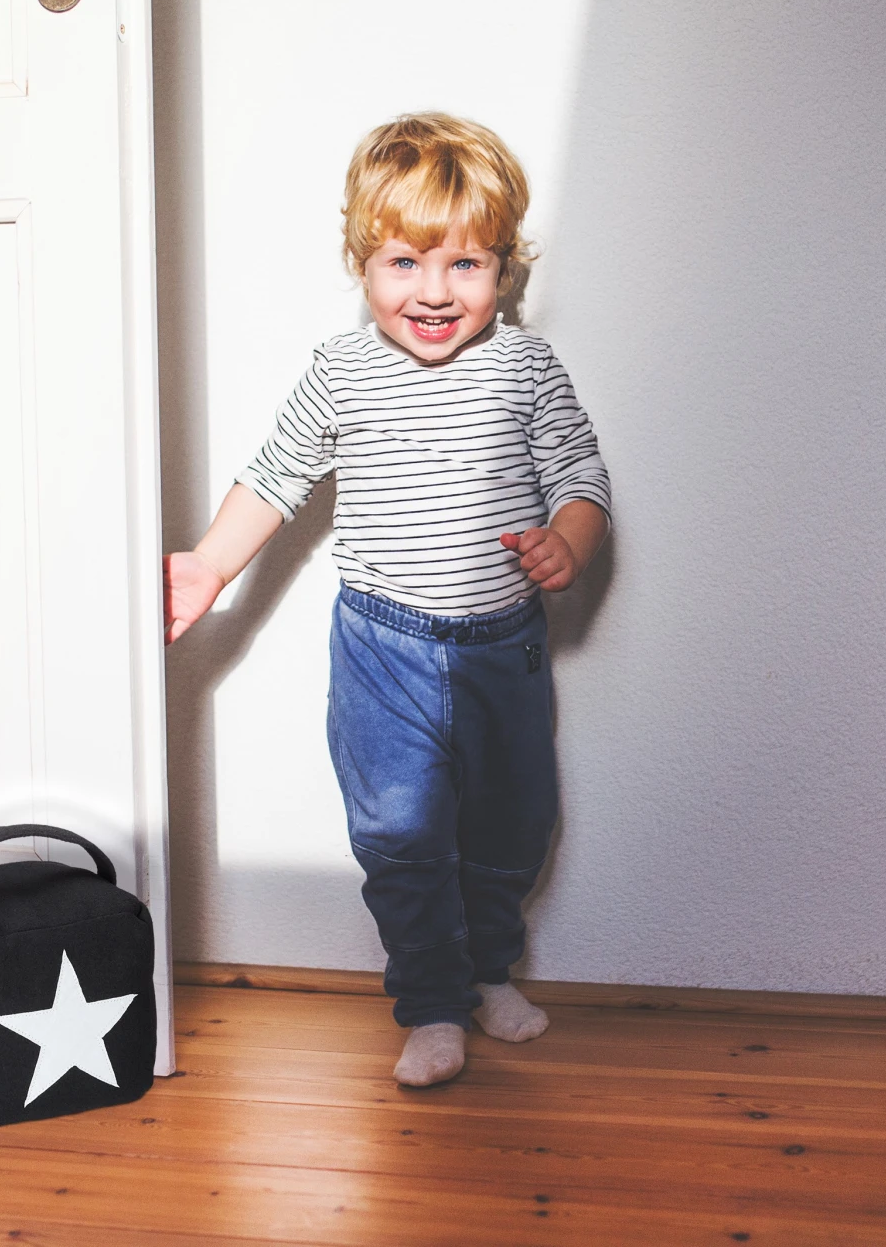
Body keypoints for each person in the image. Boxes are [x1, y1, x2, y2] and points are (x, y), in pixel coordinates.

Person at [164, 113, 611, 1087]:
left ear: (504, 268)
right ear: (362, 261)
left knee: (513, 825)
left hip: (502, 649)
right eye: (406, 262)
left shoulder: (527, 367)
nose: (436, 292)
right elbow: (276, 477)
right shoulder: (342, 371)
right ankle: (433, 1002)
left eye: (466, 265)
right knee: (401, 835)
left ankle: (488, 971)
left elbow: (582, 477)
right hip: (382, 650)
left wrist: (568, 543)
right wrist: (208, 565)